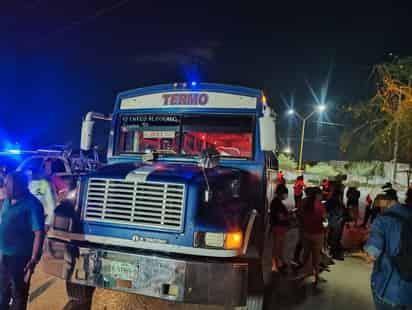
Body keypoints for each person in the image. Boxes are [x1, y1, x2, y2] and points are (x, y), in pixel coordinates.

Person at [0, 172, 45, 310]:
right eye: (5, 184)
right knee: (2, 294)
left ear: (20, 186)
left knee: (18, 294)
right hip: (3, 255)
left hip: (20, 258)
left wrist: (33, 260)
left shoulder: (32, 204)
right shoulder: (7, 201)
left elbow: (39, 233)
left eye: (8, 185)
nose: (5, 187)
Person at [365, 188, 412, 310]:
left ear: (386, 200)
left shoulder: (382, 220)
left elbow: (373, 251)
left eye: (378, 201)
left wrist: (369, 252)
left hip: (390, 289)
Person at [299, 187, 327, 287]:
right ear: (317, 195)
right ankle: (316, 277)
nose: (322, 196)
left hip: (305, 232)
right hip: (318, 233)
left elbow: (299, 215)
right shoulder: (320, 205)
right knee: (316, 256)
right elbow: (324, 219)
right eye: (320, 194)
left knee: (306, 253)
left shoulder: (302, 202)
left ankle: (305, 272)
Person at [326, 188, 351, 260]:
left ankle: (331, 251)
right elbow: (343, 211)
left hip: (333, 222)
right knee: (335, 238)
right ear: (339, 195)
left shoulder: (330, 201)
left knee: (332, 237)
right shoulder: (337, 201)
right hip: (337, 222)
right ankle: (333, 253)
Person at [270, 184, 290, 272]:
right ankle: (275, 265)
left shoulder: (276, 202)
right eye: (285, 194)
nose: (286, 196)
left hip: (278, 226)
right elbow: (280, 217)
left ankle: (280, 262)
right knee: (277, 246)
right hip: (278, 227)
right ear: (281, 193)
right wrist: (289, 216)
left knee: (279, 246)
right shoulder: (276, 202)